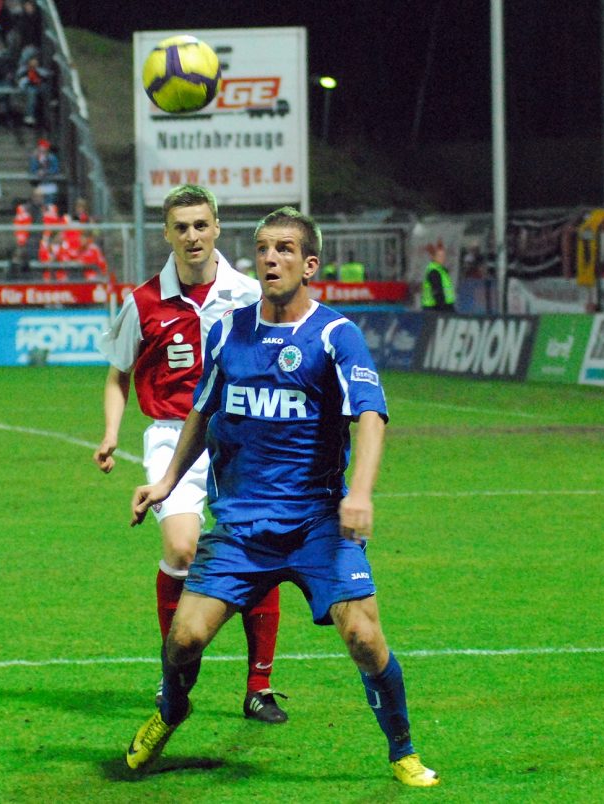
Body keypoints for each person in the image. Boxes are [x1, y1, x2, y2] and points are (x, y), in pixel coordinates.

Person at [124, 206, 439, 787]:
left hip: (319, 525)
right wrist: (166, 482)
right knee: (184, 639)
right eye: (264, 248)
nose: (271, 259)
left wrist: (360, 493)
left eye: (285, 249)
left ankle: (403, 751)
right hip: (241, 528)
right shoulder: (229, 331)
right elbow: (202, 411)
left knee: (364, 639)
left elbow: (371, 415)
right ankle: (172, 710)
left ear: (310, 265)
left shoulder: (335, 335)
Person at [94, 184, 287, 723]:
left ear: (217, 227)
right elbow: (118, 374)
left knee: (259, 552)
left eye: (201, 225)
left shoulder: (248, 294)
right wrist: (110, 433)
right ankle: (175, 677)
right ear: (167, 234)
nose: (193, 236)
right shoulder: (144, 302)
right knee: (182, 550)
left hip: (241, 433)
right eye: (182, 227)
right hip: (171, 436)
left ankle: (260, 686)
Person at [421, 243, 455, 311]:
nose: (443, 258)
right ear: (433, 257)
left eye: (444, 256)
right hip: (434, 308)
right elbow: (437, 291)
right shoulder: (434, 271)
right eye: (440, 256)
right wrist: (443, 309)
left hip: (443, 306)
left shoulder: (441, 270)